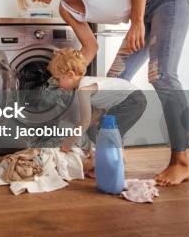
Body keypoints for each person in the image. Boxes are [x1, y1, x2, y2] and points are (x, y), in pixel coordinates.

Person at [17, 0, 189, 185]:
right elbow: (90, 48)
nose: (32, 0)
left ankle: (181, 161)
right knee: (112, 85)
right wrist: (66, 74)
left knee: (161, 76)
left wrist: (137, 22)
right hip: (145, 15)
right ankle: (113, 156)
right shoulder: (66, 9)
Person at [48, 48, 147, 176]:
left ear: (70, 75)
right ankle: (110, 164)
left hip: (131, 100)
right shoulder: (87, 84)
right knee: (106, 131)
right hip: (131, 99)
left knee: (108, 133)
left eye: (58, 79)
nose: (58, 84)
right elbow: (96, 114)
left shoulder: (84, 90)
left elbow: (84, 122)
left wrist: (67, 144)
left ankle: (112, 168)